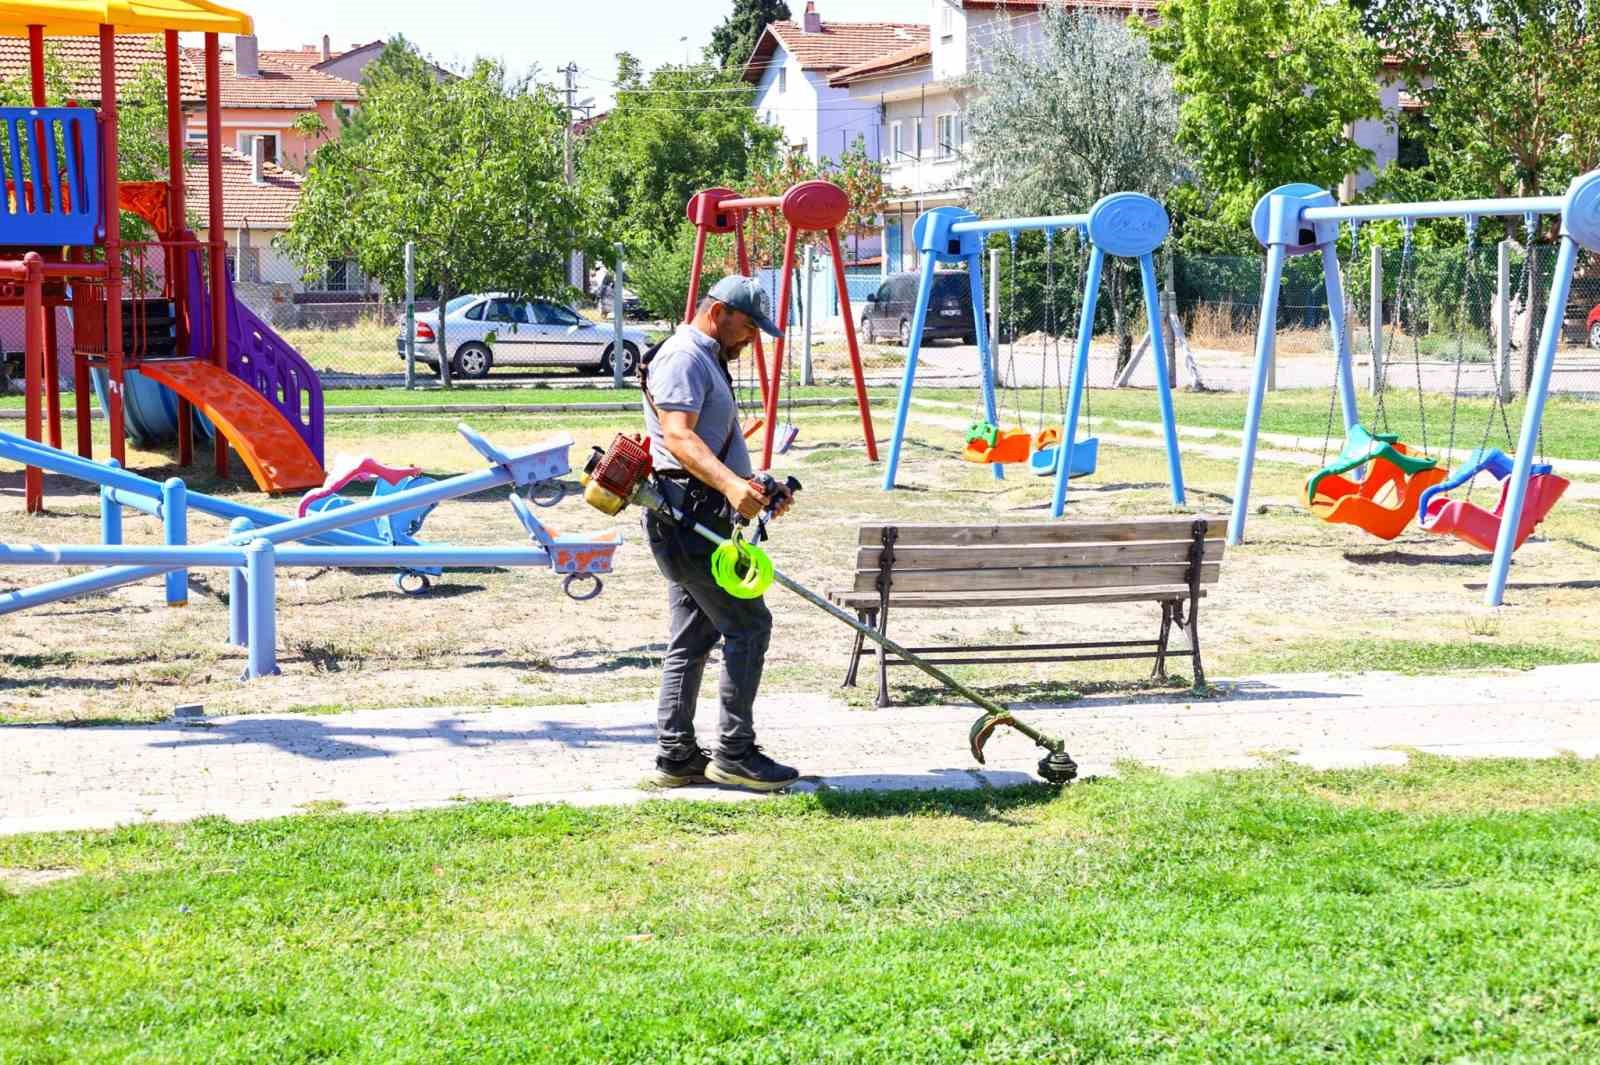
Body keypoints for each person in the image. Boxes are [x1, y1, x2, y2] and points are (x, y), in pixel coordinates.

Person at [641, 274, 798, 792]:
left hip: (696, 515)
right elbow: (679, 437)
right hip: (689, 519)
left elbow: (709, 440)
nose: (751, 338)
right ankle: (734, 752)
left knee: (694, 636)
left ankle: (677, 755)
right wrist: (733, 487)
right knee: (749, 626)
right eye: (748, 325)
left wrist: (757, 484)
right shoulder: (685, 357)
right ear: (719, 311)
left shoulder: (705, 357)